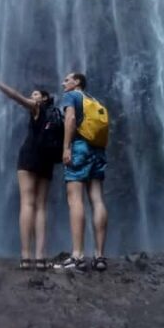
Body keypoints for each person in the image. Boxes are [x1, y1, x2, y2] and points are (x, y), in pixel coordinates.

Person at [0, 75, 56, 270]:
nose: (32, 97)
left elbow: (14, 95)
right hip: (47, 160)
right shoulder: (58, 114)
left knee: (27, 203)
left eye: (36, 94)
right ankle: (41, 257)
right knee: (41, 207)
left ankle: (25, 256)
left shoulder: (37, 108)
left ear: (43, 99)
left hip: (29, 157)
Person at [52, 72, 108, 273]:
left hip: (80, 148)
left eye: (67, 79)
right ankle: (100, 256)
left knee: (75, 199)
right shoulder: (93, 100)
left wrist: (66, 148)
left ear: (77, 82)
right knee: (97, 199)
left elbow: (71, 119)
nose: (63, 82)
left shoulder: (72, 96)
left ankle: (77, 256)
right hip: (97, 150)